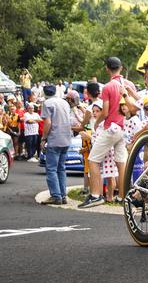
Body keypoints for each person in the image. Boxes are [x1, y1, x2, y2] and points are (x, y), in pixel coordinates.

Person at [79, 57, 137, 209]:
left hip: (111, 127)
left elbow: (104, 111)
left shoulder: (108, 86)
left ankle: (96, 195)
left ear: (107, 68)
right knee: (121, 162)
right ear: (121, 68)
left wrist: (97, 123)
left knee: (93, 160)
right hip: (122, 127)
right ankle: (123, 196)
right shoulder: (128, 84)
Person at [40, 85, 72, 205]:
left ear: (44, 93)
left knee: (51, 169)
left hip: (54, 138)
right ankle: (63, 195)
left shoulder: (47, 103)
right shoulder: (64, 103)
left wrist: (44, 138)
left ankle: (56, 195)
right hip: (66, 138)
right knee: (61, 168)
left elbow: (48, 122)